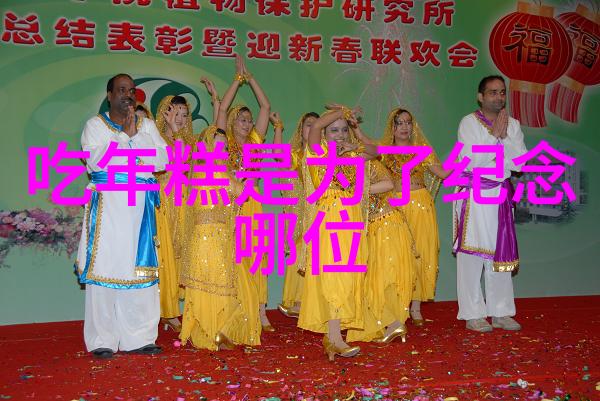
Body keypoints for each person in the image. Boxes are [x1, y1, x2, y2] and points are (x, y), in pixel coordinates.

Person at [75, 73, 168, 359]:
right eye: (122, 90)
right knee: (105, 268)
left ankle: (139, 337)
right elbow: (97, 162)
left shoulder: (147, 125)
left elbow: (161, 159)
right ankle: (102, 339)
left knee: (138, 270)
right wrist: (125, 137)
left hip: (139, 209)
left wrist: (133, 140)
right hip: (108, 208)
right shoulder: (95, 125)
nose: (128, 95)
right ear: (109, 95)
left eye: (132, 90)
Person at [177, 77, 261, 350]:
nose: (223, 150)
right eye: (220, 147)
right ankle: (214, 331)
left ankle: (211, 332)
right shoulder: (216, 173)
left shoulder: (205, 171)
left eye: (225, 148)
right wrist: (247, 176)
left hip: (212, 238)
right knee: (218, 285)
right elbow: (243, 193)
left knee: (211, 286)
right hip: (212, 239)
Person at [297, 105, 379, 361]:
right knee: (334, 277)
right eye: (334, 130)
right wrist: (343, 112)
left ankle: (333, 338)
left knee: (346, 278)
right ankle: (335, 338)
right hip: (329, 219)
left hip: (350, 221)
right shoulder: (318, 152)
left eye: (344, 130)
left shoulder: (352, 156)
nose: (340, 135)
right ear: (324, 134)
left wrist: (355, 137)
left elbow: (376, 151)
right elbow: (317, 125)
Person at [453, 75, 527, 332]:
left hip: (500, 194)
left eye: (502, 92)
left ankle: (501, 312)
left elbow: (519, 163)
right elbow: (470, 161)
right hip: (474, 193)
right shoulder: (469, 123)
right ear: (480, 96)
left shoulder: (512, 125)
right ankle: (473, 314)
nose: (499, 97)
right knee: (472, 254)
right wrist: (494, 137)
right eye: (493, 92)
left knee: (499, 252)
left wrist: (503, 137)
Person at [216, 55, 274, 332]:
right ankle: (237, 308)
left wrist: (250, 79)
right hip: (230, 203)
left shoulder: (255, 141)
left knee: (257, 256)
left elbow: (266, 106)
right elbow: (222, 108)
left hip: (253, 203)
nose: (247, 123)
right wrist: (236, 81)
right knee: (235, 256)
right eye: (242, 119)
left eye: (249, 120)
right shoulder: (224, 141)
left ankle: (260, 310)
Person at [380, 108, 449, 326]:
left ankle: (416, 307)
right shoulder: (384, 152)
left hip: (421, 206)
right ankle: (398, 307)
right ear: (392, 127)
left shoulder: (422, 150)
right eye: (399, 123)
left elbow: (443, 173)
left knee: (421, 253)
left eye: (408, 122)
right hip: (396, 206)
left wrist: (467, 157)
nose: (404, 127)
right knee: (398, 256)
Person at [153, 95, 196, 332]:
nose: (179, 119)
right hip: (162, 201)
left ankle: (178, 309)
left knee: (183, 253)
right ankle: (164, 310)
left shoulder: (189, 142)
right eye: (174, 113)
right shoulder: (155, 139)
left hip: (183, 201)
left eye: (184, 115)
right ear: (165, 113)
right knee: (164, 255)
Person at [272, 111, 320, 318]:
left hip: (322, 212)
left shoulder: (325, 155)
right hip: (302, 214)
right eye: (309, 124)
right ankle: (299, 302)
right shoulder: (296, 156)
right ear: (301, 131)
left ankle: (308, 303)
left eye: (317, 125)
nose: (313, 128)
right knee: (300, 252)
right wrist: (278, 127)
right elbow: (277, 153)